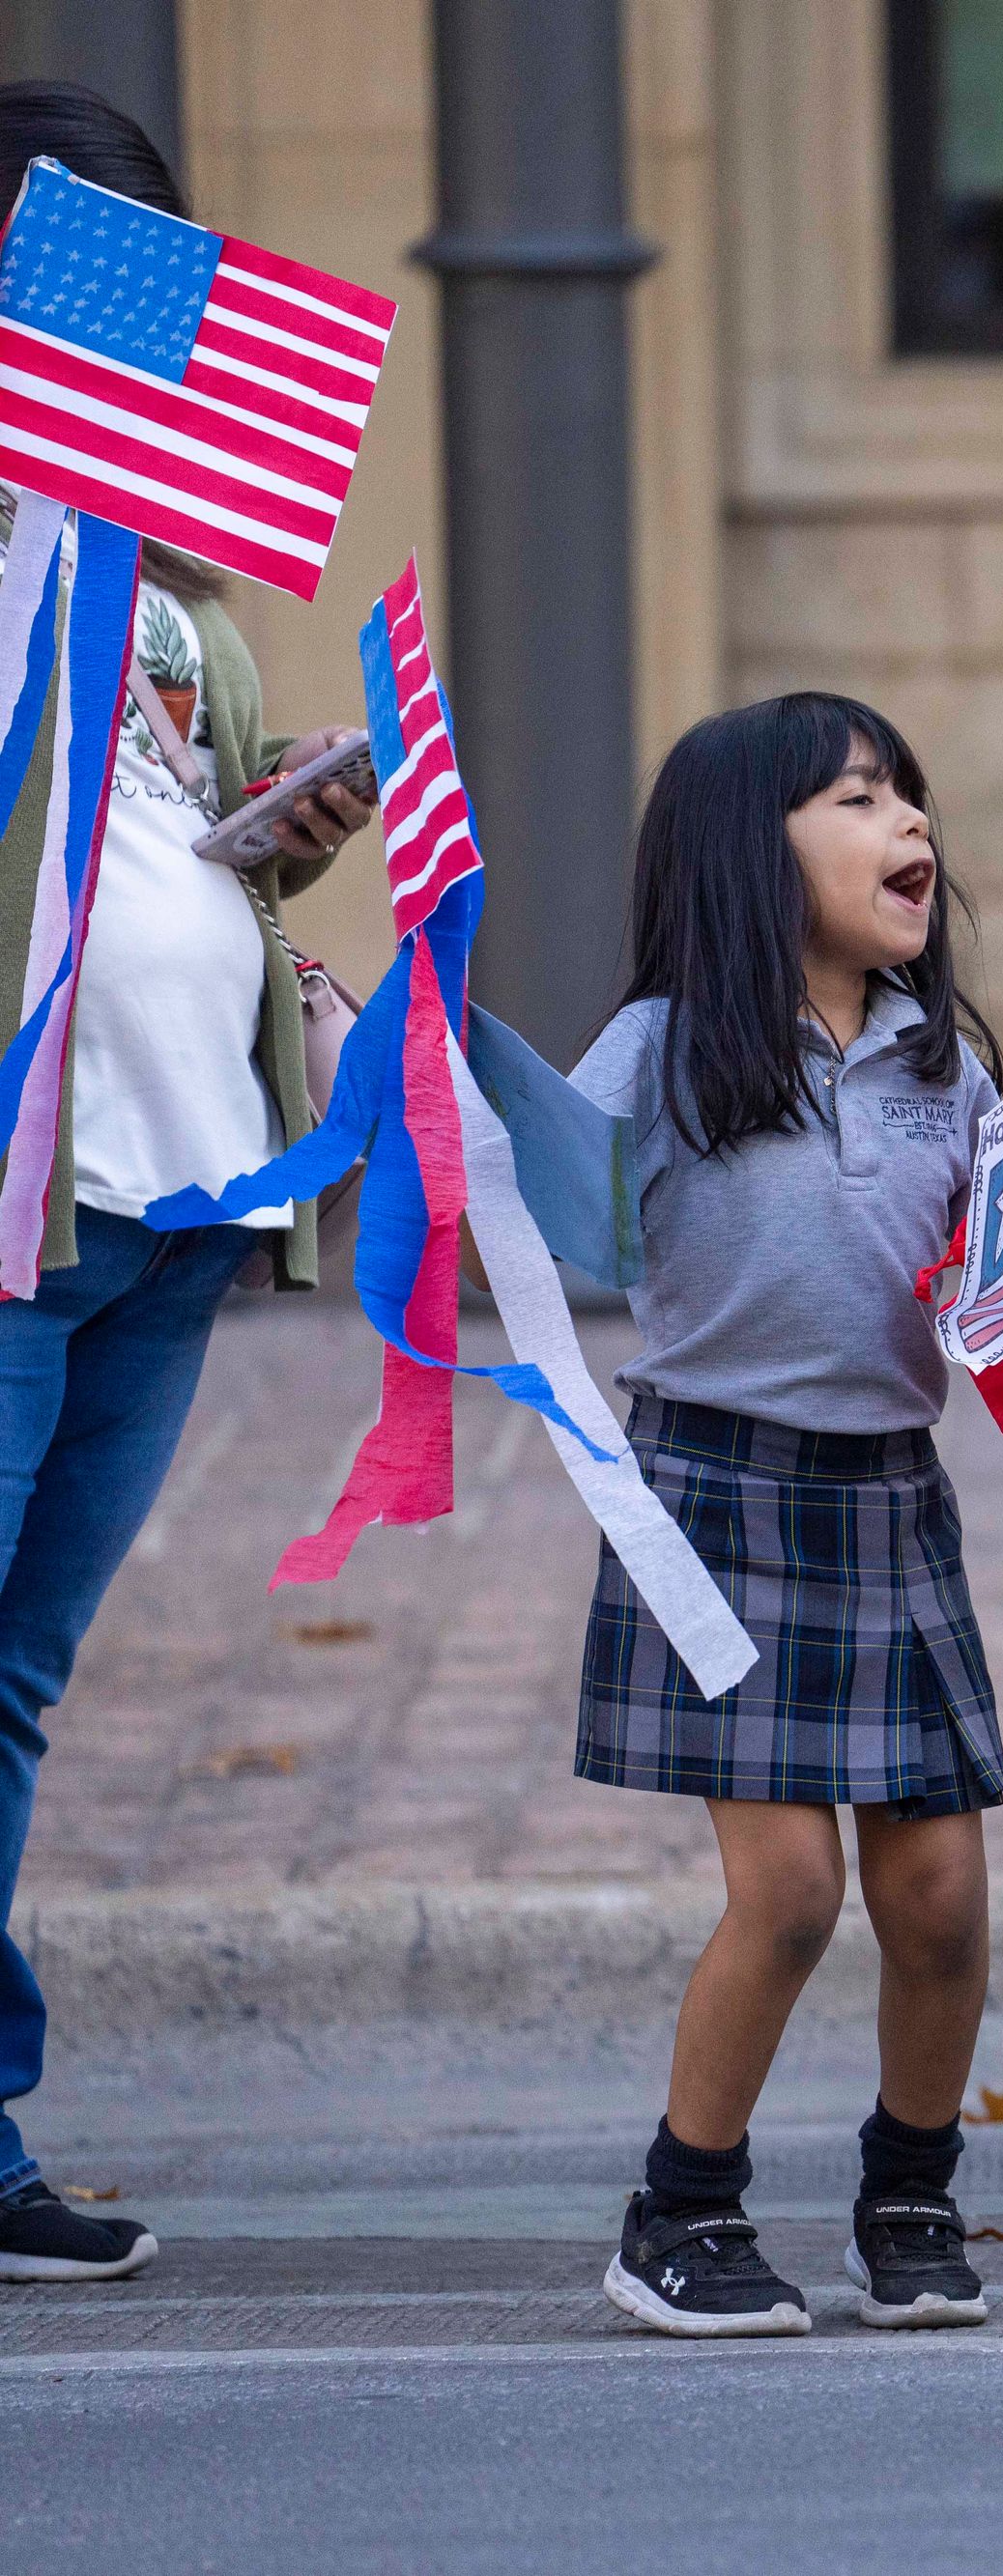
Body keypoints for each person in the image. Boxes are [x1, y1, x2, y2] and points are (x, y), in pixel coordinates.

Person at [571, 694, 1003, 2339]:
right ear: (742, 852)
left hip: (888, 1496)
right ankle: (679, 2213)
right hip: (715, 1489)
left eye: (909, 794)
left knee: (939, 1900)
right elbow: (515, 1193)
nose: (908, 822)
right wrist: (395, 1054)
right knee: (785, 1892)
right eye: (858, 798)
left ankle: (909, 2194)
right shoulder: (659, 1052)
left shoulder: (945, 1062)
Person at [0, 84, 376, 2290]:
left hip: (164, 1200)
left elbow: (178, 840)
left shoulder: (179, 603)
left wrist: (276, 840)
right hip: (20, 1201)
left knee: (22, 1670)